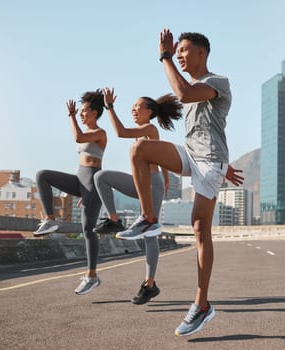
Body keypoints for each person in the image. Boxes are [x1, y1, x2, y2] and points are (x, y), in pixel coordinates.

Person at [117, 29, 244, 335]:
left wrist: (165, 57)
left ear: (203, 53)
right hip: (193, 155)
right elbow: (204, 128)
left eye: (185, 50)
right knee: (139, 150)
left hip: (210, 161)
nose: (181, 55)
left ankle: (201, 304)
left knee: (200, 228)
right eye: (178, 51)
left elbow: (185, 94)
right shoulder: (192, 86)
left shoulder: (217, 82)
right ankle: (149, 218)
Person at [93, 87, 183, 304]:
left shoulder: (150, 129)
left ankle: (149, 284)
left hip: (151, 186)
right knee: (101, 177)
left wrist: (110, 107)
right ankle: (114, 220)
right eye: (132, 107)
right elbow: (160, 157)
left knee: (150, 234)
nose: (133, 110)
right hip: (142, 183)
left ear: (149, 111)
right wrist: (167, 175)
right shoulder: (146, 131)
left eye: (137, 107)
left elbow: (121, 132)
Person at [34, 90, 107, 295]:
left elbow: (78, 137)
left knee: (88, 229)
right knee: (42, 175)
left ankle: (92, 276)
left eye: (84, 111)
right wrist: (82, 190)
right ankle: (50, 219)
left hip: (92, 181)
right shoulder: (89, 133)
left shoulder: (100, 133)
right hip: (80, 179)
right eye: (80, 112)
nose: (82, 114)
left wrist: (71, 116)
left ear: (94, 113)